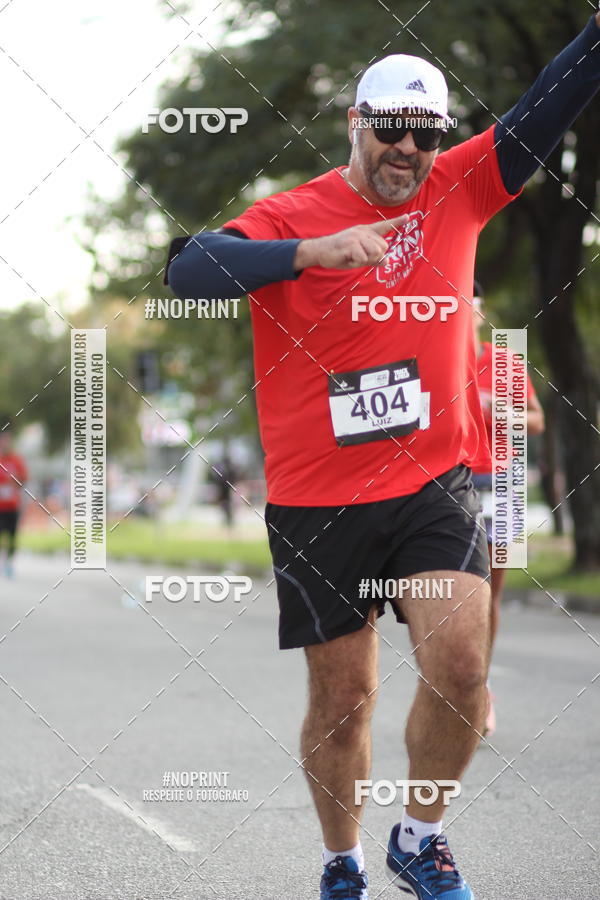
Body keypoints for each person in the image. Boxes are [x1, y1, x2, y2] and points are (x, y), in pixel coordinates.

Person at [165, 11, 600, 899]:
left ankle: (420, 835)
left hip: (431, 484)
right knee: (343, 703)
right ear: (357, 124)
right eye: (392, 129)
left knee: (464, 668)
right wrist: (307, 254)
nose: (409, 149)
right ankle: (343, 860)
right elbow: (185, 272)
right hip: (318, 499)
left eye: (427, 133)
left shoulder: (464, 183)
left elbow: (548, 105)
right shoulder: (295, 213)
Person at [471, 282, 545, 737]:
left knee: (489, 595)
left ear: (480, 311)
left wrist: (497, 408)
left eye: (474, 305)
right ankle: (455, 682)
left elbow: (537, 420)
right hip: (447, 482)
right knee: (453, 593)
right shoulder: (432, 359)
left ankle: (480, 688)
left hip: (502, 481)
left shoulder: (503, 361)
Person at [0, 428, 28, 578]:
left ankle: (9, 562)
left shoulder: (16, 460)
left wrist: (16, 481)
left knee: (12, 536)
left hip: (12, 505)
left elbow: (23, 480)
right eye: (3, 440)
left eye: (8, 440)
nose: (5, 443)